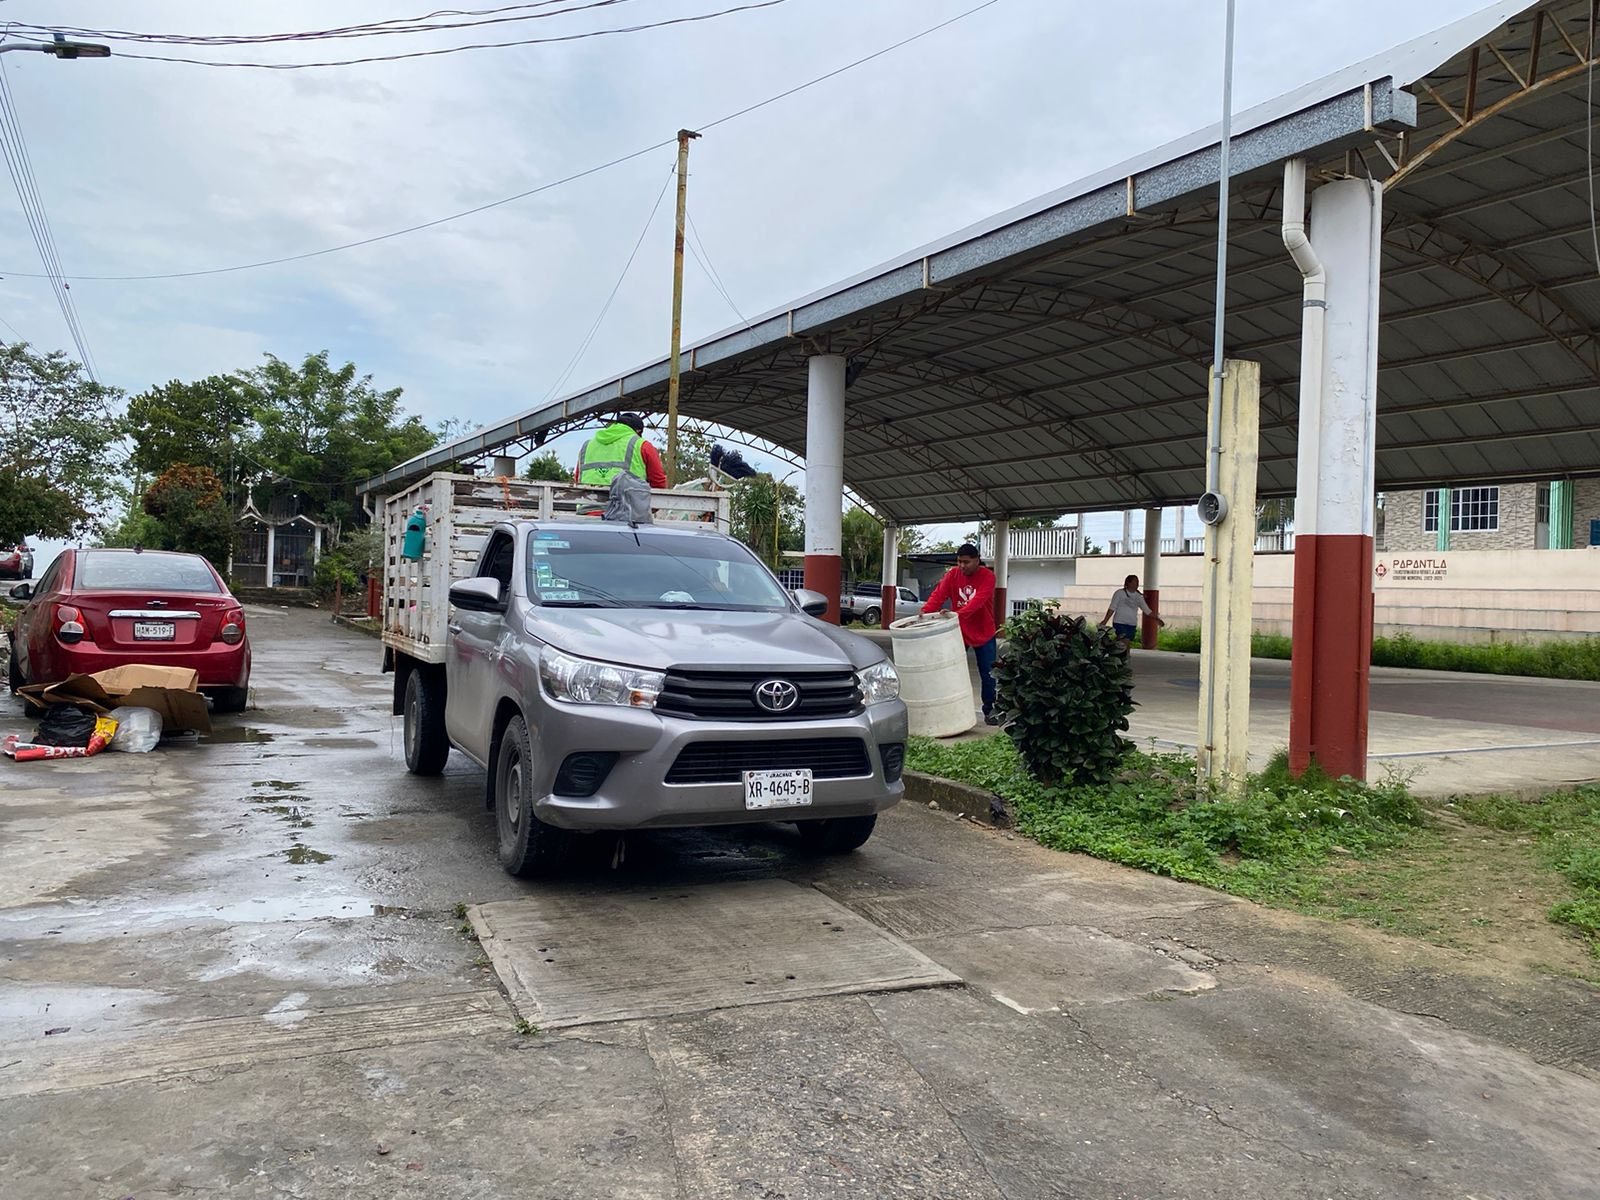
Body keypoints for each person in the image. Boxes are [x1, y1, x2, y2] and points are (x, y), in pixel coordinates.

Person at [922, 543, 1000, 725]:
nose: (962, 566)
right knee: (951, 671)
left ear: (977, 560)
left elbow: (978, 602)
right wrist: (924, 614)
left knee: (988, 674)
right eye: (959, 562)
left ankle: (990, 710)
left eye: (966, 562)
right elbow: (938, 595)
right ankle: (949, 709)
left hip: (984, 632)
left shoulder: (988, 576)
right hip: (959, 632)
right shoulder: (952, 575)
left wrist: (957, 614)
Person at [574, 413, 668, 489]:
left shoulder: (587, 446)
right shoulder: (642, 445)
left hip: (587, 505)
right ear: (638, 431)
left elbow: (577, 478)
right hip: (628, 506)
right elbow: (658, 483)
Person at [1100, 574, 1164, 643]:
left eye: (1137, 582)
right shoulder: (1119, 593)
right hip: (1119, 622)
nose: (1136, 584)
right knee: (1125, 641)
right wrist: (1105, 620)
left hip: (1132, 624)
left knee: (1126, 643)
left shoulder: (1138, 596)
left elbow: (1147, 611)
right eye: (1134, 582)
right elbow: (1112, 607)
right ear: (1128, 583)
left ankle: (1116, 646)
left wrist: (1157, 619)